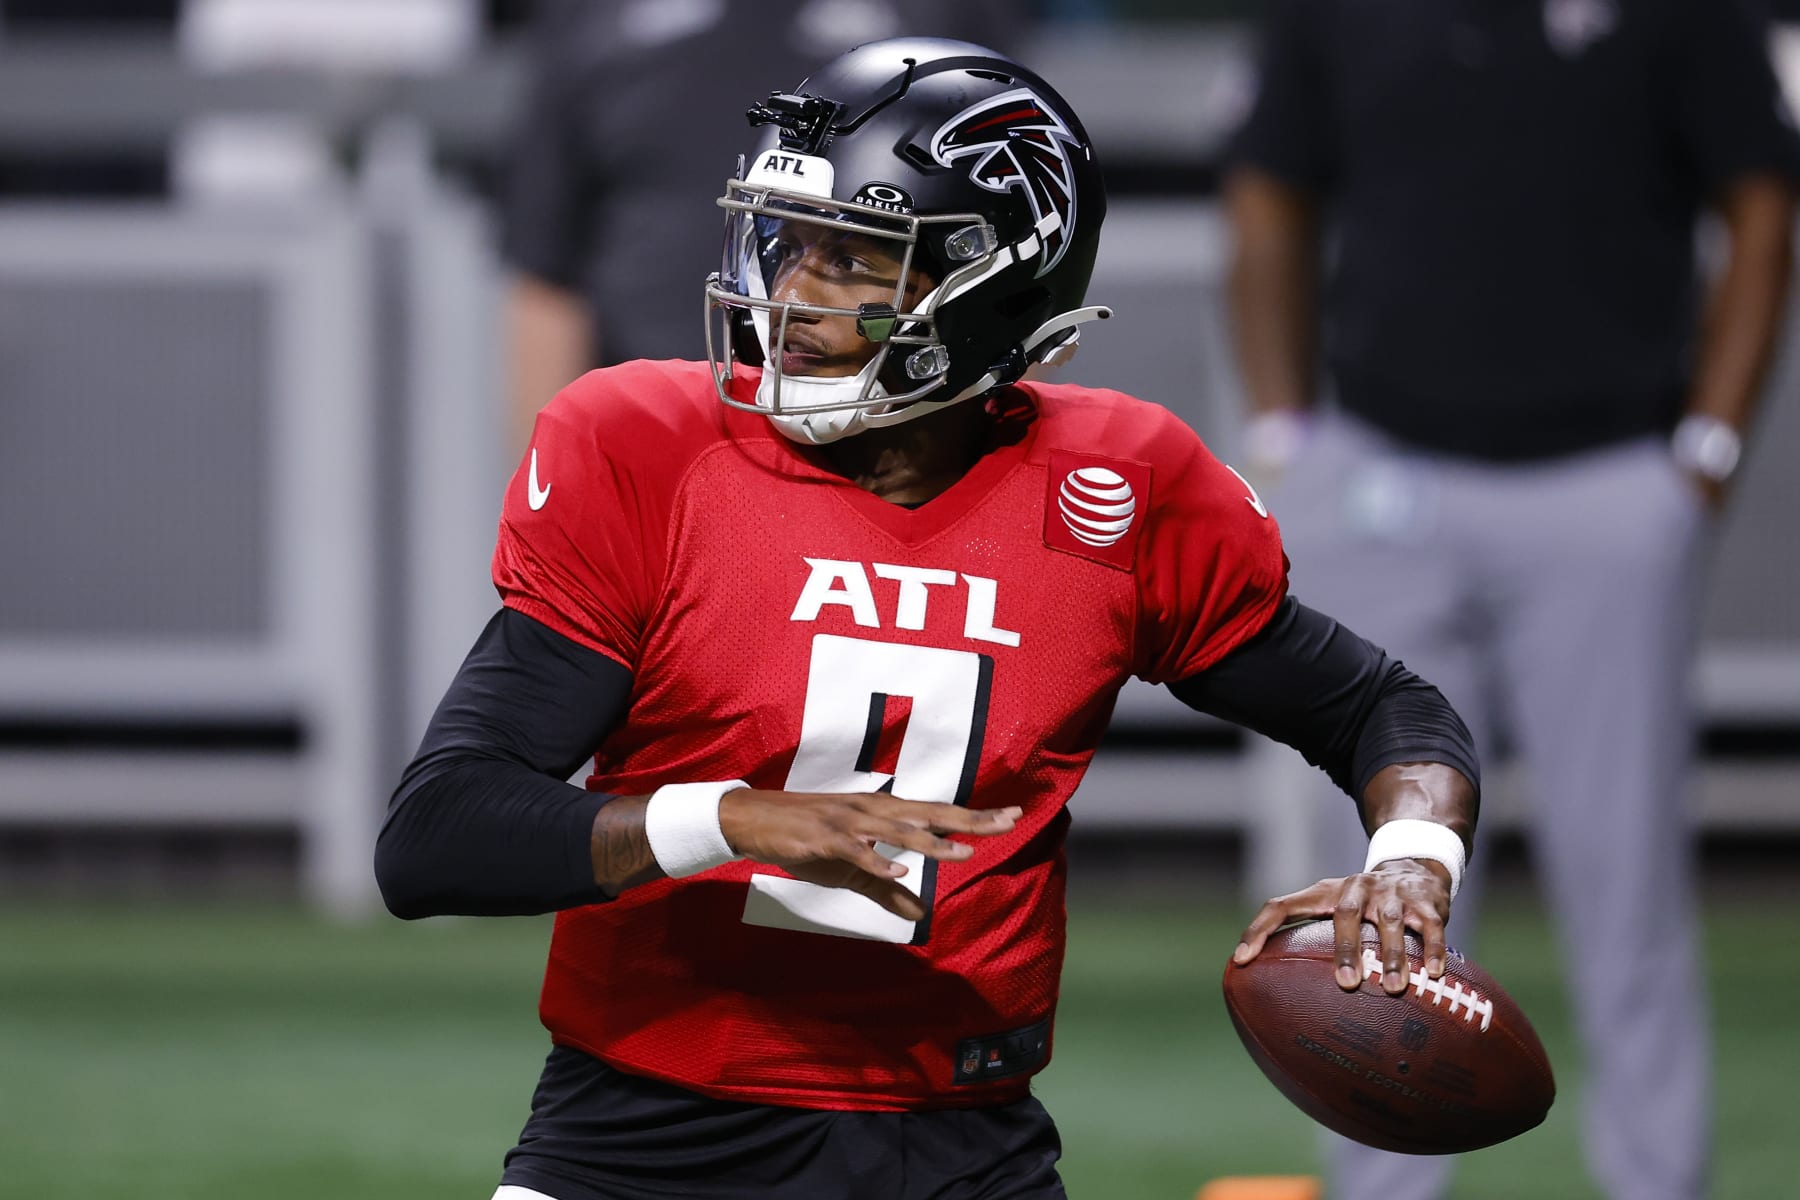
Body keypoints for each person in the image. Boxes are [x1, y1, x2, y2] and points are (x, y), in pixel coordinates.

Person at [377, 38, 1481, 1199]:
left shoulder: (1112, 489)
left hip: (962, 1143)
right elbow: (436, 834)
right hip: (643, 1131)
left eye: (857, 263)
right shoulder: (651, 449)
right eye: (784, 244)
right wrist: (733, 819)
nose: (790, 299)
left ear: (993, 287)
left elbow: (1383, 711)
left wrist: (1409, 861)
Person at [1223, 3, 1800, 1198]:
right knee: (1371, 879)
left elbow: (1760, 201)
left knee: (1625, 871)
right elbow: (1271, 187)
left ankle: (1658, 1183)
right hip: (1383, 472)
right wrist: (1288, 433)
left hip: (1607, 475)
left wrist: (1707, 450)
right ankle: (1381, 1190)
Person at [499, 0, 1023, 451]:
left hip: (889, 430)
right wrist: (553, 483)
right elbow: (548, 278)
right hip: (657, 436)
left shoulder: (948, 13)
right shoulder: (588, 18)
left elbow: (1013, 248)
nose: (789, 290)